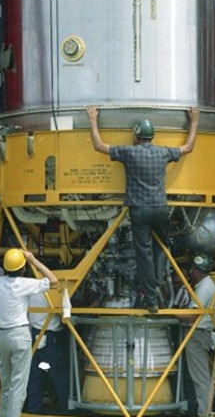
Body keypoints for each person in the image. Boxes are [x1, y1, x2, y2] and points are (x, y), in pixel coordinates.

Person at [86, 105, 199, 312]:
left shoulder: (128, 153)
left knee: (143, 252)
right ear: (152, 136)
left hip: (139, 210)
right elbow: (188, 147)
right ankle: (158, 282)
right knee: (163, 245)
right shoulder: (163, 152)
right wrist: (194, 121)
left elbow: (99, 146)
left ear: (135, 136)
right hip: (160, 208)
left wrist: (93, 120)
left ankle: (151, 299)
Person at [0, 248, 58, 417]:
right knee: (18, 385)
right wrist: (33, 260)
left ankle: (3, 414)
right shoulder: (25, 283)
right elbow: (53, 281)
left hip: (1, 336)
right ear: (23, 268)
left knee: (6, 383)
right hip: (20, 336)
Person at [25, 263, 70, 415]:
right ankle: (65, 407)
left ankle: (33, 408)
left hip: (34, 335)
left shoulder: (29, 289)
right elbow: (65, 316)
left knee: (34, 374)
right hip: (50, 338)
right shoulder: (55, 290)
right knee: (58, 373)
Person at [182, 254, 215, 417]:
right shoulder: (207, 285)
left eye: (192, 269)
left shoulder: (204, 287)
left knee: (200, 377)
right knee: (200, 375)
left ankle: (205, 412)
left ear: (196, 270)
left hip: (198, 333)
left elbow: (193, 315)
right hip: (201, 333)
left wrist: (171, 313)